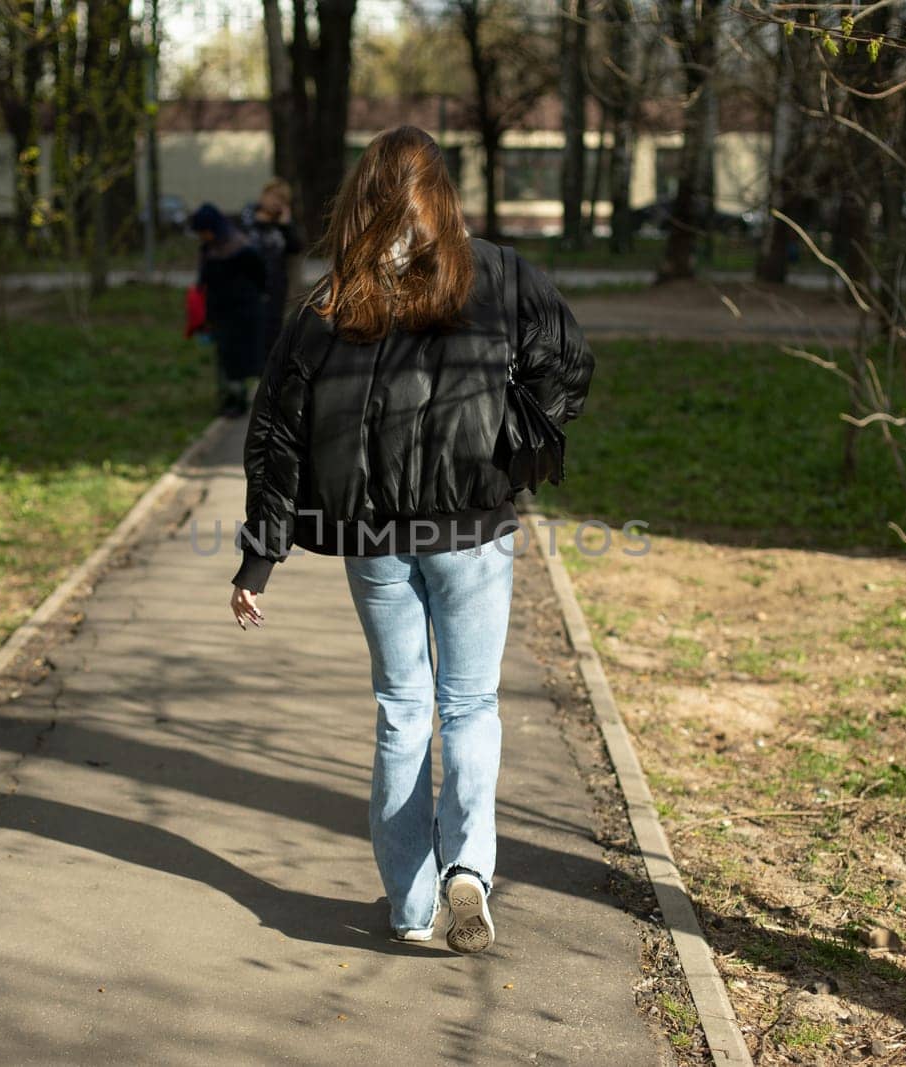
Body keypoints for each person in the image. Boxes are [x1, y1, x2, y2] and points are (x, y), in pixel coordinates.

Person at [227, 126, 594, 954]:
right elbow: (568, 361)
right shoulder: (499, 274)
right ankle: (469, 870)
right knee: (471, 705)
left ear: (364, 198)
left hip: (377, 543)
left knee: (402, 711)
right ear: (443, 197)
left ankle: (412, 905)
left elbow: (276, 433)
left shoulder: (331, 301)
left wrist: (260, 555)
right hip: (471, 532)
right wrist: (511, 447)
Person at [191, 202, 267, 417]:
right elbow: (204, 280)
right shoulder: (209, 250)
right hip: (219, 311)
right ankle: (229, 398)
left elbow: (259, 277)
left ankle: (239, 399)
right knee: (224, 358)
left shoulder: (242, 249)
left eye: (204, 231)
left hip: (242, 312)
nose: (203, 236)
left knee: (238, 358)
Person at [239, 178, 305, 357]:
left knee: (271, 329)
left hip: (274, 284)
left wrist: (286, 225)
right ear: (263, 195)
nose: (275, 202)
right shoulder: (246, 219)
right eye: (273, 196)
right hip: (249, 283)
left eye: (281, 200)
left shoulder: (282, 226)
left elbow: (296, 247)